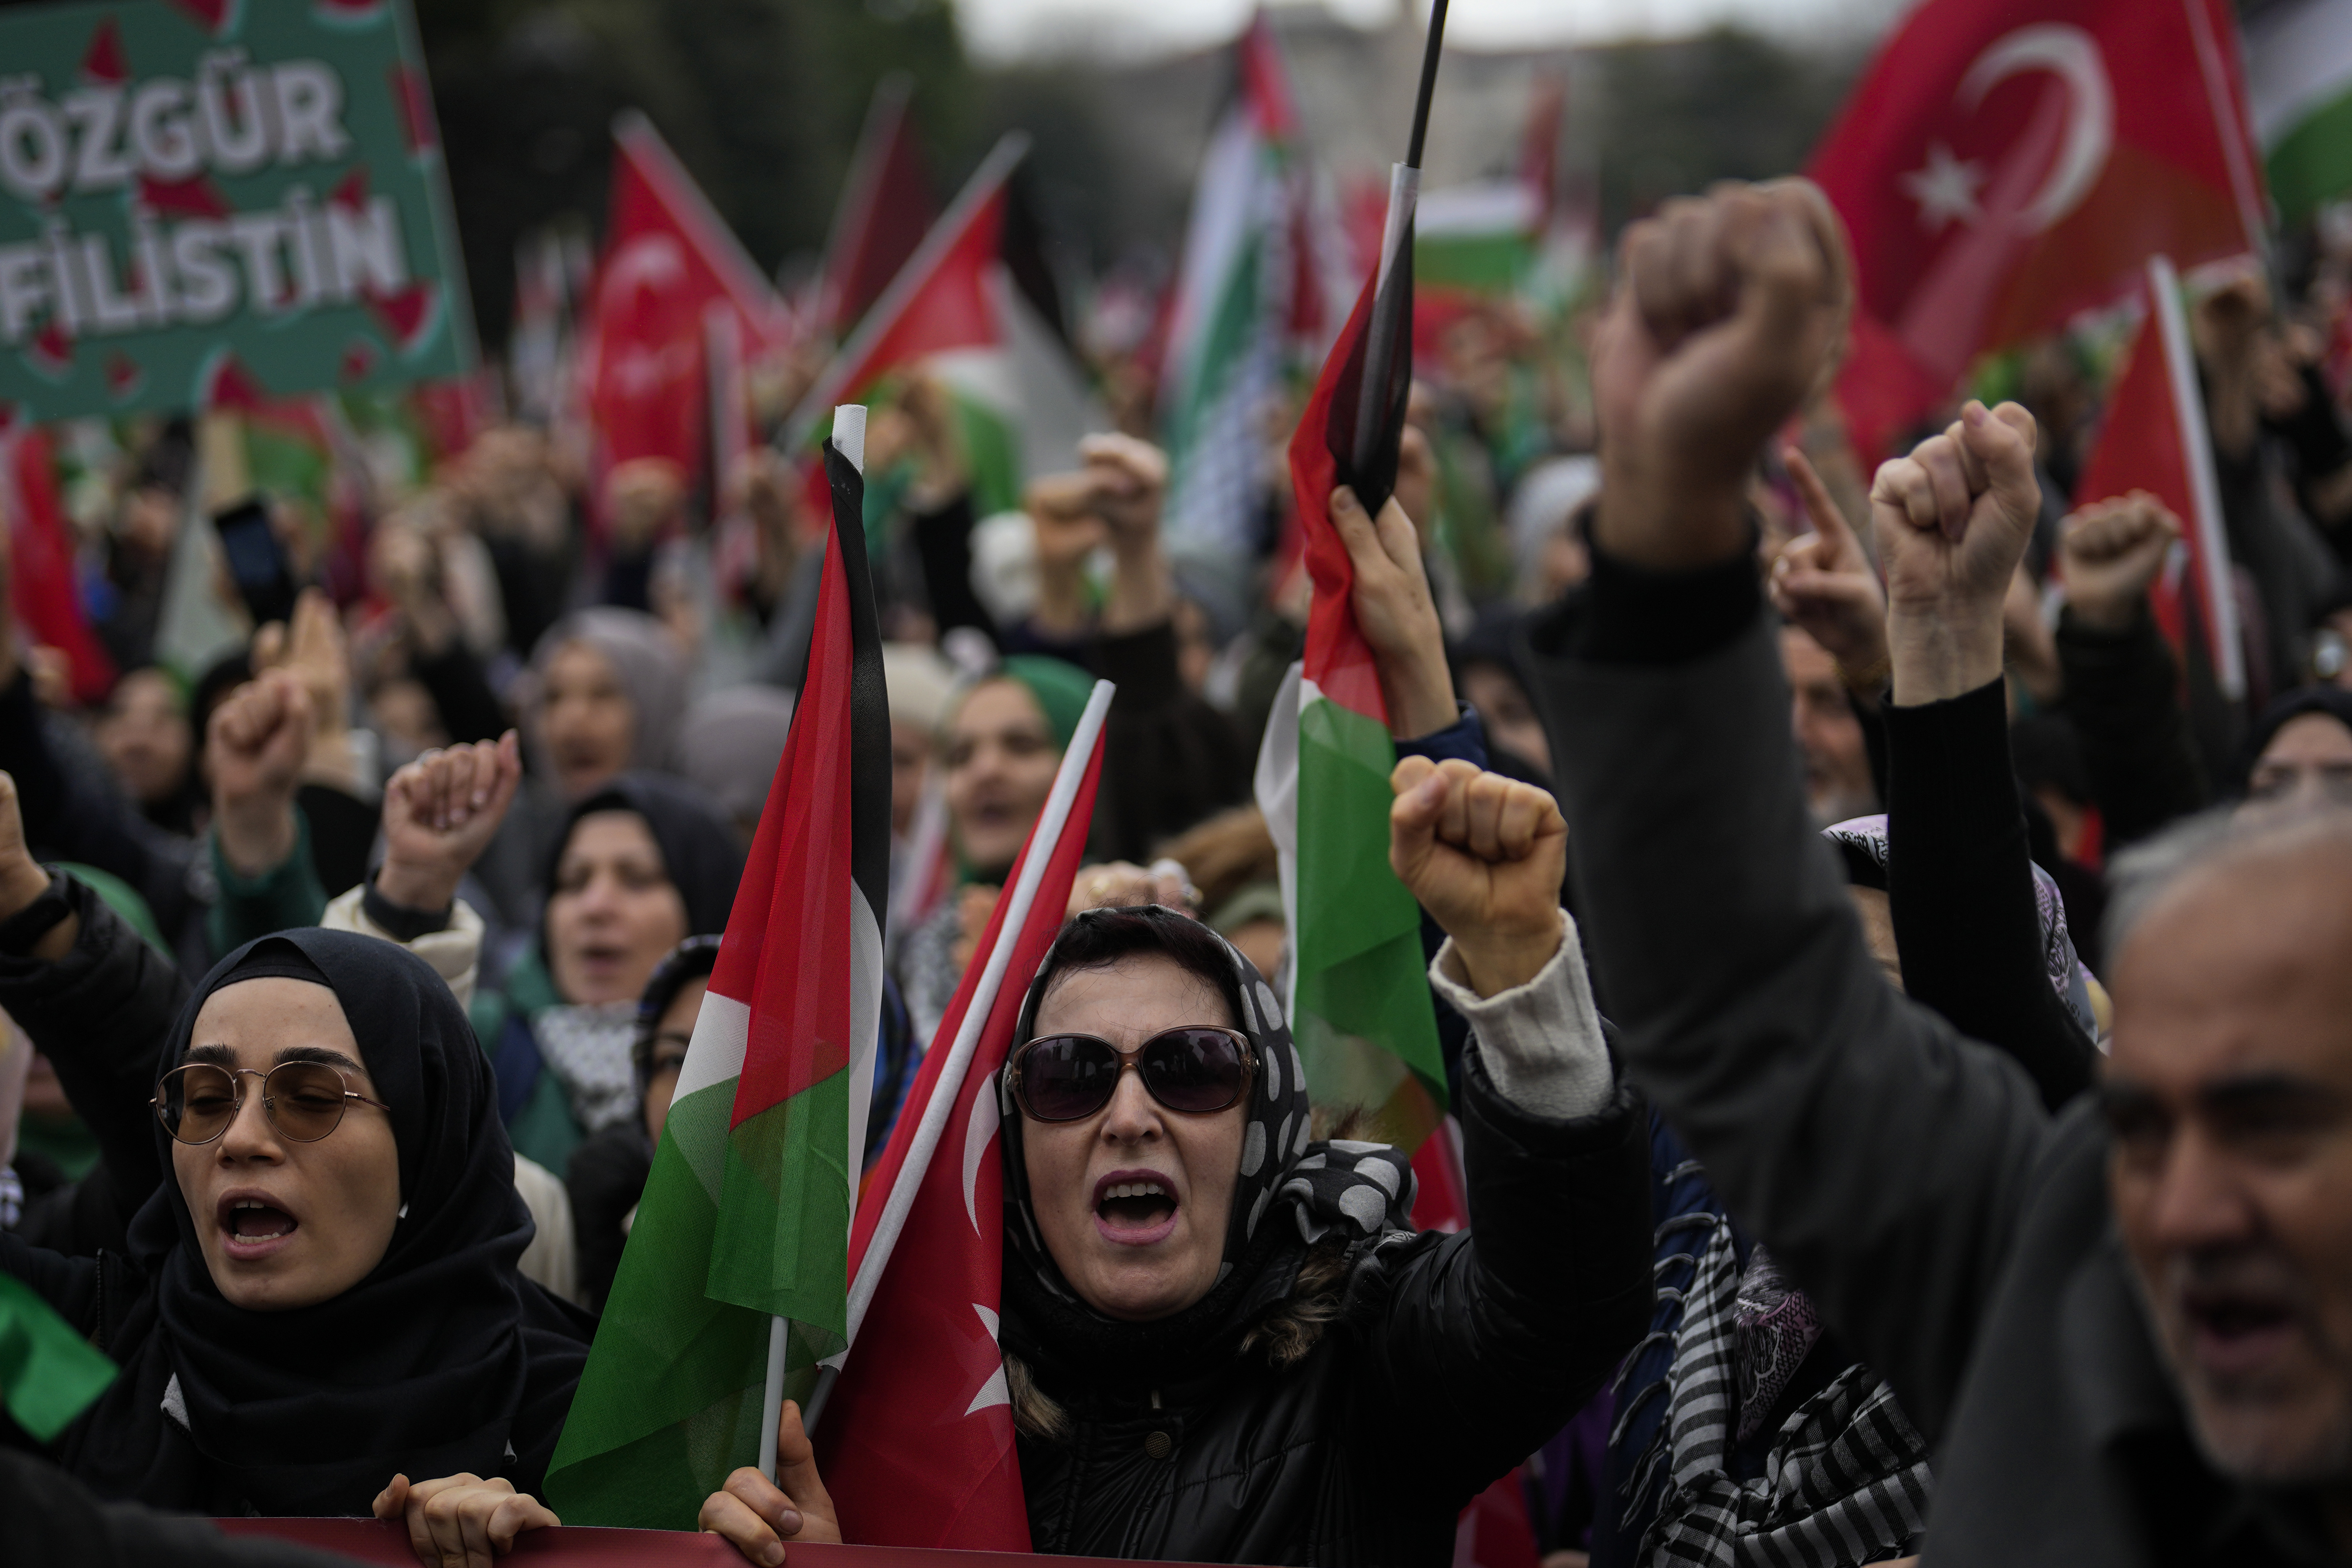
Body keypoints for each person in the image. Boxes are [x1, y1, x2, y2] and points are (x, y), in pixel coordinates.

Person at [1528, 175, 2352, 1562]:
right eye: (2136, 1127)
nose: (2190, 1209)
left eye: (2269, 1124)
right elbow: (1748, 1005)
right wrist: (1669, 525)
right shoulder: (2085, 1290)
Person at [698, 755, 1655, 1565]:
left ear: (1268, 1122)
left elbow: (1563, 1307)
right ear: (1012, 1139)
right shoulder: (902, 1374)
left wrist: (1523, 976)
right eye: (1070, 1075)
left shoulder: (1371, 1338)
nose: (1129, 1115)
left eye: (1190, 1069)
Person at [0, 921, 588, 1560]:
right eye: (203, 1099)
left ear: (428, 1147)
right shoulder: (78, 1361)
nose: (239, 1139)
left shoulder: (580, 1424)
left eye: (310, 1097)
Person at [472, 773, 744, 1174]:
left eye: (637, 880)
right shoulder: (484, 1043)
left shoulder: (759, 1070)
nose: (595, 907)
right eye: (573, 882)